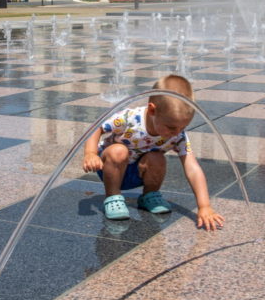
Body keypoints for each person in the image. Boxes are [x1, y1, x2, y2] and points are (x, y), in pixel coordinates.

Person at [82, 74, 225, 231]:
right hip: (112, 169)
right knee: (118, 151)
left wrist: (204, 206)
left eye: (182, 127)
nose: (176, 132)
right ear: (152, 110)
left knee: (157, 157)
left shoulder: (178, 135)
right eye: (171, 127)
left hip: (140, 173)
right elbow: (97, 127)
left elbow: (192, 168)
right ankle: (113, 197)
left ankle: (149, 195)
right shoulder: (130, 118)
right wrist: (91, 153)